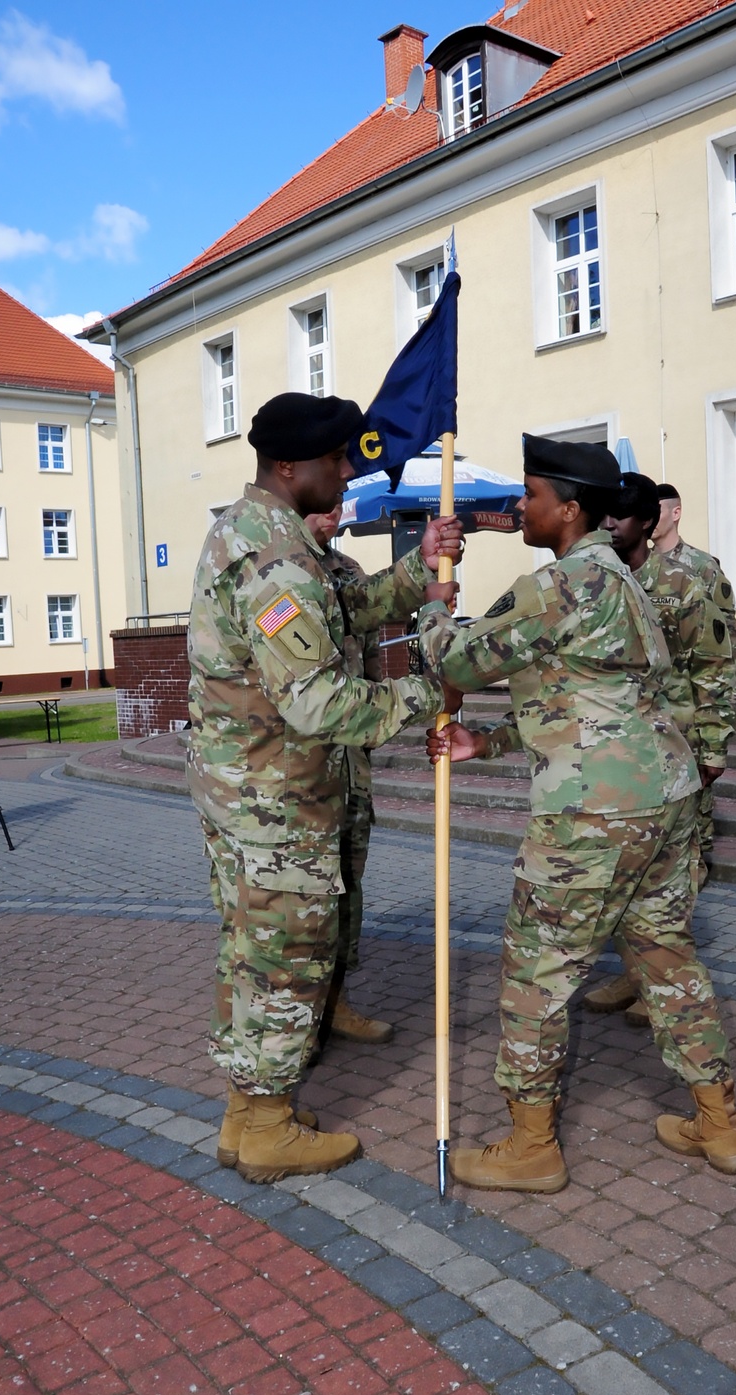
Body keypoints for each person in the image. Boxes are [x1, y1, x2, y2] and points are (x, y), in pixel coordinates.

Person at [422, 435, 736, 1191]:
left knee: (535, 973)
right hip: (663, 797)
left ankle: (532, 1145)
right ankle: (720, 1121)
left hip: (591, 816)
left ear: (569, 510)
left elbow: (457, 663)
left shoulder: (560, 584)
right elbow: (594, 699)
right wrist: (493, 740)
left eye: (532, 495)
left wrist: (437, 608)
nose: (520, 507)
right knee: (667, 958)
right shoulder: (626, 578)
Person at [187, 391, 460, 1182]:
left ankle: (247, 1114)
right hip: (276, 798)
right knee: (285, 961)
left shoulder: (258, 535)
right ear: (287, 466)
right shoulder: (273, 559)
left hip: (249, 791)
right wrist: (428, 691)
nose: (347, 472)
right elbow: (321, 702)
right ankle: (269, 1129)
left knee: (250, 954)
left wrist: (415, 573)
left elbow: (341, 608)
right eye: (336, 460)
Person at [581, 471, 736, 1020]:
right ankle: (635, 972)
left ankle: (662, 984)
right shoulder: (599, 578)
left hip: (681, 747)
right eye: (604, 514)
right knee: (625, 871)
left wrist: (714, 747)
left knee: (679, 871)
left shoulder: (689, 579)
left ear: (648, 522)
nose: (608, 524)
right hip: (622, 752)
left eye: (620, 516)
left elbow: (717, 666)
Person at [304, 502, 393, 1045]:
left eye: (338, 506)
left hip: (351, 758)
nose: (331, 514)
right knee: (304, 895)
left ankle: (336, 1000)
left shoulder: (350, 573)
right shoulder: (282, 573)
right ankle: (300, 1020)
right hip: (302, 766)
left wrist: (372, 733)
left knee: (348, 881)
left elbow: (373, 661)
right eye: (322, 506)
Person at [654, 483, 736, 886]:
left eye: (657, 509)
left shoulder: (703, 568)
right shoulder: (630, 570)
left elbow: (726, 647)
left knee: (696, 811)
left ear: (676, 513)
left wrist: (716, 716)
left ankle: (694, 878)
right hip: (652, 713)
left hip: (690, 709)